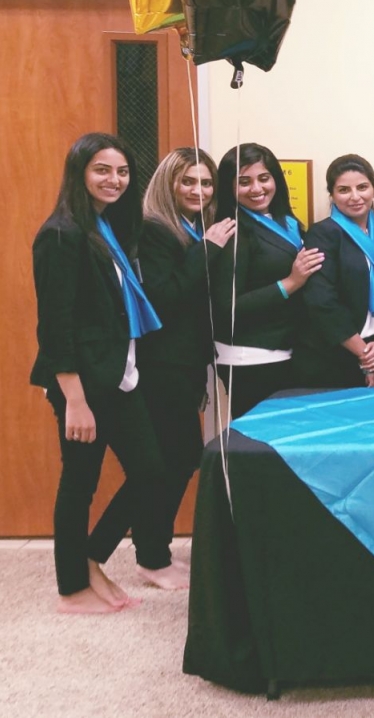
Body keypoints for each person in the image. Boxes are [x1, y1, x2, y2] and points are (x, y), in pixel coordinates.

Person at [30, 133, 176, 612]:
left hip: (119, 375)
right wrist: (74, 398)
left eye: (122, 172)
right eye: (102, 170)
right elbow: (55, 326)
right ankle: (72, 589)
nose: (114, 180)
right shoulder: (61, 234)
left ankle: (90, 557)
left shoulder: (106, 228)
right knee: (79, 483)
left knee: (153, 472)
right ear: (80, 173)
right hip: (84, 384)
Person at [83, 147, 236, 589]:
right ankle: (129, 554)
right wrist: (207, 249)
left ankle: (151, 553)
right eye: (188, 181)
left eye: (206, 183)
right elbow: (166, 296)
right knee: (168, 462)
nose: (198, 190)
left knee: (176, 460)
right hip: (159, 365)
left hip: (184, 365)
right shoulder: (154, 230)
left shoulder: (192, 229)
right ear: (168, 183)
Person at [212, 143, 324, 417]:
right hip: (251, 357)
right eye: (244, 182)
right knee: (257, 450)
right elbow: (229, 307)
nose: (257, 189)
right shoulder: (232, 232)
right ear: (228, 186)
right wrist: (291, 283)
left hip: (285, 350)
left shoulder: (287, 221)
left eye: (264, 178)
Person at [296, 155, 374, 389]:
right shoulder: (322, 235)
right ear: (332, 195)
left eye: (362, 187)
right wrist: (365, 355)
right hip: (335, 353)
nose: (355, 197)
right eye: (343, 190)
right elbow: (322, 302)